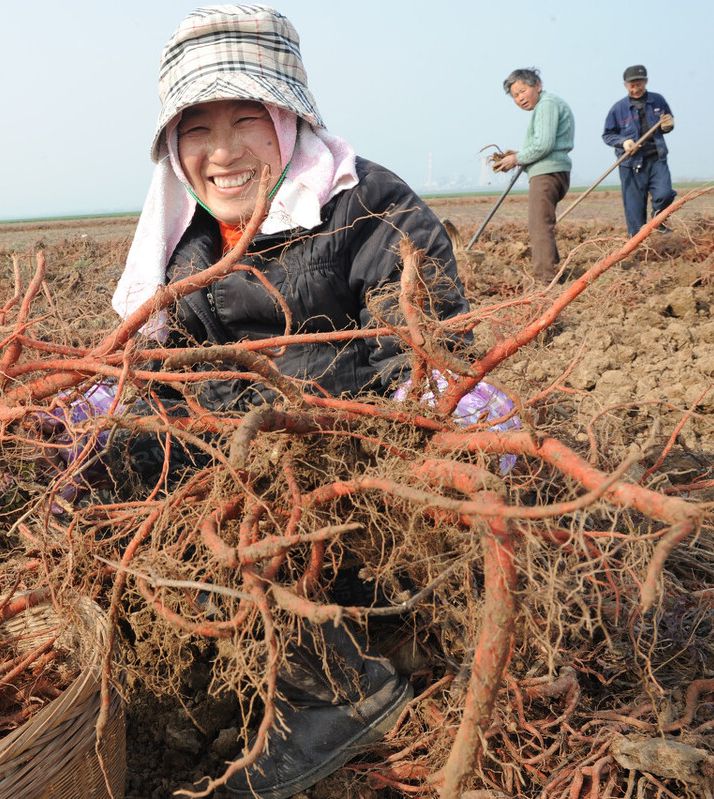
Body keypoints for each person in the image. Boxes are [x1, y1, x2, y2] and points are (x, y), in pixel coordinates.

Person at [109, 6, 476, 797]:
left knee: (256, 478)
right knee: (118, 457)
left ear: (290, 120)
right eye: (197, 128)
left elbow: (421, 370)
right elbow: (180, 389)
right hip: (251, 485)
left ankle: (347, 683)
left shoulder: (369, 205)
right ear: (175, 146)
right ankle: (205, 656)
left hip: (363, 485)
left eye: (247, 118)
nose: (223, 151)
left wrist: (293, 438)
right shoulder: (185, 248)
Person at [494, 68, 575, 283]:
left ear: (537, 85)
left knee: (539, 225)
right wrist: (518, 155)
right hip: (550, 170)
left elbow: (543, 144)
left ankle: (545, 280)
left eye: (523, 91)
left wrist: (516, 159)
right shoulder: (546, 105)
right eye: (515, 96)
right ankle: (553, 270)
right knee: (542, 223)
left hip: (547, 172)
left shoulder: (546, 105)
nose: (520, 98)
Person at [602, 64, 676, 236]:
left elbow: (668, 122)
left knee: (665, 194)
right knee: (634, 210)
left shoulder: (658, 101)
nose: (635, 89)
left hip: (657, 159)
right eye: (632, 85)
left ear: (646, 81)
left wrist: (667, 125)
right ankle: (638, 247)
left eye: (639, 84)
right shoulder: (618, 109)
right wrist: (624, 142)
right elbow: (608, 135)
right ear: (625, 86)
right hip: (631, 164)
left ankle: (658, 221)